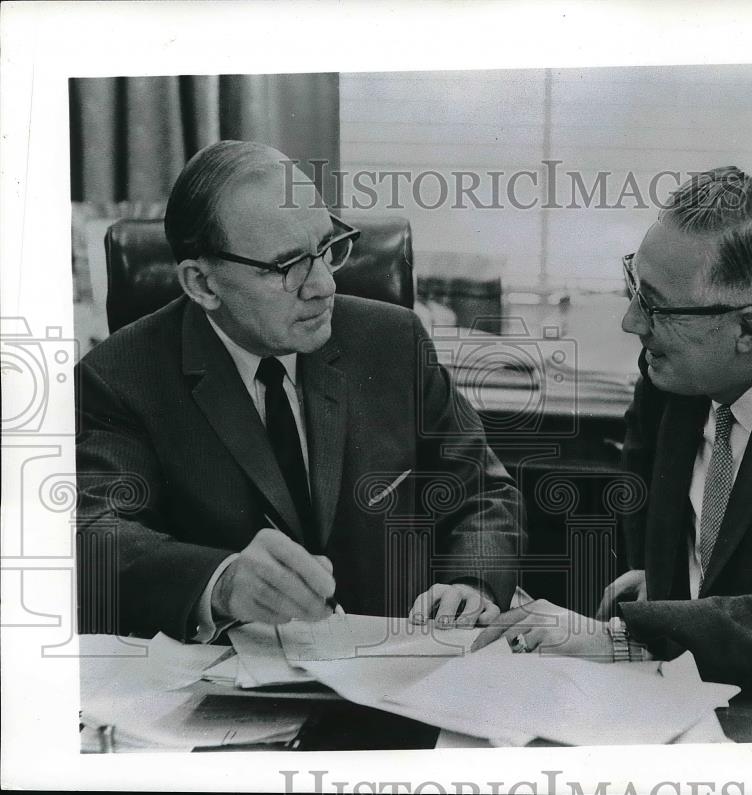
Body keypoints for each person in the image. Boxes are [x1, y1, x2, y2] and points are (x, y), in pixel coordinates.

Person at [473, 166, 752, 694]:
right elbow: (641, 481)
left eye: (656, 305)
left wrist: (635, 632)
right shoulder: (675, 367)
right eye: (634, 288)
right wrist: (663, 580)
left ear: (747, 329)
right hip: (669, 690)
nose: (633, 322)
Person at [76, 140, 524, 641]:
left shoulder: (394, 340)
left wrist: (471, 582)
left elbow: (481, 489)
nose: (324, 285)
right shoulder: (118, 377)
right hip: (229, 691)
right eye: (288, 266)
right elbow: (96, 534)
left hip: (397, 676)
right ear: (202, 283)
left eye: (327, 248)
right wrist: (220, 583)